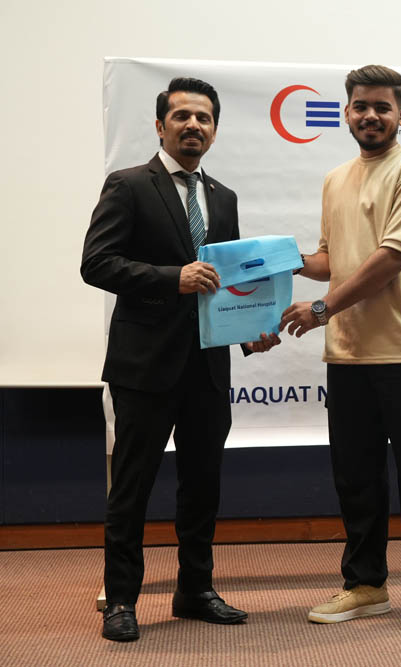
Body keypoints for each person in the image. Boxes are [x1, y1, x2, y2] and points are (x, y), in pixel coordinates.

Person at [81, 77, 279, 642]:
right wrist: (174, 278)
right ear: (160, 125)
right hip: (144, 367)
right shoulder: (128, 185)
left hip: (208, 368)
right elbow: (97, 263)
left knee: (202, 485)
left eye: (204, 118)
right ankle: (121, 599)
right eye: (183, 116)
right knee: (132, 488)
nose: (194, 125)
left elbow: (227, 282)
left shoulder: (224, 197)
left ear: (214, 131)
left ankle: (195, 590)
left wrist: (249, 333)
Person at [280, 65, 401, 627]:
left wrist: (321, 310)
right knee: (355, 477)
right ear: (346, 113)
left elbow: (391, 258)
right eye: (361, 106)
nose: (371, 116)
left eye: (382, 107)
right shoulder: (335, 179)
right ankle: (365, 585)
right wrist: (272, 263)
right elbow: (330, 260)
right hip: (349, 353)